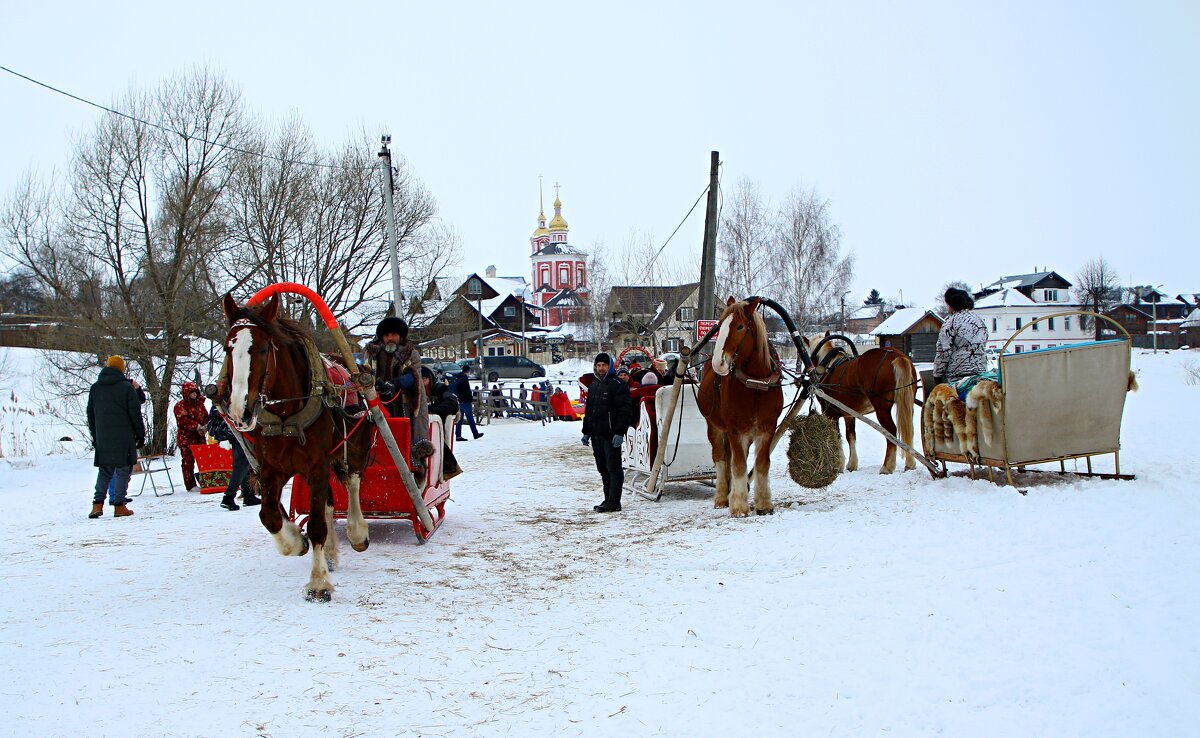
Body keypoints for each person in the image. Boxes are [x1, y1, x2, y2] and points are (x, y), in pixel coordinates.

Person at [365, 316, 434, 473]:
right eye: (387, 335)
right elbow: (366, 371)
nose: (390, 338)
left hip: (403, 401)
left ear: (400, 336)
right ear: (382, 337)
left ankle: (412, 462)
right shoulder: (372, 354)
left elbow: (413, 375)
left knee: (406, 431)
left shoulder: (411, 353)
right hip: (377, 401)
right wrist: (374, 384)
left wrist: (395, 383)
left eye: (394, 335)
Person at [87, 356, 146, 518]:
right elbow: (135, 413)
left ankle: (97, 505)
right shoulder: (126, 388)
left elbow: (90, 414)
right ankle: (119, 506)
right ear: (121, 369)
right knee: (123, 470)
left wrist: (95, 435)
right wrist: (140, 434)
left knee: (104, 471)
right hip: (124, 436)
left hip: (103, 436)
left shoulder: (95, 388)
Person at [581, 352, 633, 513]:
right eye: (598, 365)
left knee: (613, 468)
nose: (601, 368)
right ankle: (607, 499)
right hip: (596, 435)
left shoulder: (618, 385)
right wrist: (586, 432)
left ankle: (614, 501)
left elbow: (625, 411)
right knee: (602, 468)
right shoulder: (594, 385)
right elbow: (589, 411)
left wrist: (619, 432)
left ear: (609, 366)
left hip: (611, 435)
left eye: (604, 365)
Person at [206, 406, 262, 511]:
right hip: (238, 430)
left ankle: (248, 494)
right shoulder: (233, 397)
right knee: (242, 463)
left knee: (245, 462)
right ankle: (228, 497)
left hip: (238, 430)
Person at [933, 287, 989, 386]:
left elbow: (943, 352)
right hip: (981, 375)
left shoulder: (950, 322)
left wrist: (937, 375)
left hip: (957, 376)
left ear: (951, 304)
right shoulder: (979, 321)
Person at [421, 366, 463, 481]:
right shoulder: (414, 393)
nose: (422, 383)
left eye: (424, 379)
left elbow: (452, 404)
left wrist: (431, 410)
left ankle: (447, 467)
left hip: (437, 431)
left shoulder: (440, 389)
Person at [173, 381, 209, 493]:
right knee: (188, 461)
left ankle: (206, 481)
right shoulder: (180, 406)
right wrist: (197, 426)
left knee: (204, 460)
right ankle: (190, 484)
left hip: (200, 436)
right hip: (186, 438)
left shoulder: (200, 404)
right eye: (191, 393)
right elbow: (183, 421)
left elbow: (206, 416)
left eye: (195, 392)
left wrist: (206, 426)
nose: (194, 395)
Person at [454, 364, 484, 441]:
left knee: (459, 420)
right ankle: (475, 433)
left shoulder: (458, 378)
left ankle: (458, 435)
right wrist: (470, 399)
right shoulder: (464, 379)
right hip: (465, 401)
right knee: (470, 418)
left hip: (459, 401)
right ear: (467, 371)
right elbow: (466, 391)